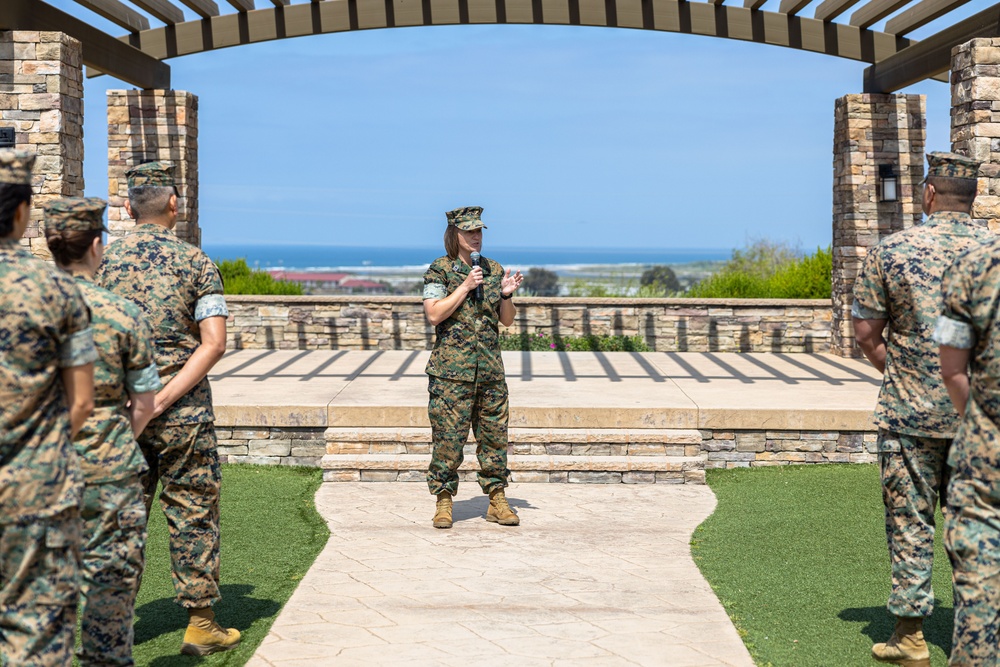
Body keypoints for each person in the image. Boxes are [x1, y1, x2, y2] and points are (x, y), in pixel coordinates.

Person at [852, 152, 992, 667]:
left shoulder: (891, 251)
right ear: (973, 198)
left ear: (930, 194)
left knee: (910, 522)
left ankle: (909, 637)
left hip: (908, 417)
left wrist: (909, 370)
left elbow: (866, 334)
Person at [95, 162, 236, 656]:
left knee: (119, 519)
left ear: (129, 208)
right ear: (174, 206)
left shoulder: (101, 264)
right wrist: (164, 398)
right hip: (184, 415)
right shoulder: (196, 263)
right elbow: (213, 343)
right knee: (193, 511)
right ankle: (200, 626)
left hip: (118, 411)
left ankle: (111, 631)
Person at [44, 196, 162, 666]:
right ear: (97, 246)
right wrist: (114, 441)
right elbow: (146, 403)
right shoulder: (123, 314)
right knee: (109, 598)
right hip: (109, 473)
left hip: (33, 475)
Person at [0, 151, 97, 665]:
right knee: (35, 634)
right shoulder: (56, 289)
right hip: (34, 487)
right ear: (21, 214)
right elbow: (82, 400)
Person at [422, 206, 524, 529]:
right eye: (470, 232)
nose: (476, 236)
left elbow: (506, 321)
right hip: (452, 375)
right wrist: (465, 286)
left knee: (495, 438)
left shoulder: (493, 269)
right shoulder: (440, 270)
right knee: (448, 441)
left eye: (479, 231)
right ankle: (443, 501)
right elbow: (434, 314)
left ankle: (497, 499)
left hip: (490, 372)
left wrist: (506, 295)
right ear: (456, 235)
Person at [935, 232, 1000, 666]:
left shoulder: (974, 267)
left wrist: (981, 423)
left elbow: (952, 368)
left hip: (988, 454)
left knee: (979, 584)